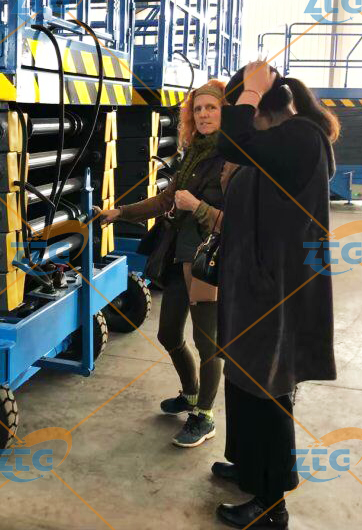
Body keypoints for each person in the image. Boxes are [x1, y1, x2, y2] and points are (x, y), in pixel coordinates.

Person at [210, 62, 339, 529]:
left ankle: (271, 504)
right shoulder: (277, 146)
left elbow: (232, 140)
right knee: (243, 382)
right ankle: (249, 465)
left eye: (246, 108)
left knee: (268, 391)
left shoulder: (301, 138)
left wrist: (248, 92)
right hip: (252, 288)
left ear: (261, 109)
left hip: (275, 294)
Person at [97, 80, 236, 448]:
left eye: (212, 107)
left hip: (207, 261)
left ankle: (204, 416)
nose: (203, 114)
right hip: (177, 255)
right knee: (169, 334)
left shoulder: (234, 158)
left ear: (226, 112)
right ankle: (190, 394)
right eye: (198, 108)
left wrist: (198, 207)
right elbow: (165, 200)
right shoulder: (192, 154)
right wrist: (120, 212)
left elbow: (240, 222)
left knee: (208, 343)